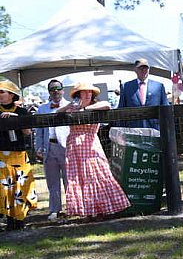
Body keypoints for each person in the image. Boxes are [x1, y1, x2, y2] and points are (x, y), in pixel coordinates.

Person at [58, 82, 130, 218]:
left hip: (91, 144)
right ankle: (86, 211)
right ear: (78, 95)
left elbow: (107, 105)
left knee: (98, 174)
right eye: (83, 92)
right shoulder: (72, 109)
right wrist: (69, 106)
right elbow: (57, 112)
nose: (87, 94)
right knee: (78, 177)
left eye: (89, 92)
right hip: (74, 145)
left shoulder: (97, 106)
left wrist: (85, 110)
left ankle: (102, 209)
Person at [0, 79, 37, 231]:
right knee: (3, 188)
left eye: (2, 92)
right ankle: (7, 219)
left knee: (20, 186)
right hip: (1, 155)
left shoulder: (21, 111)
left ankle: (20, 219)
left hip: (19, 155)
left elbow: (28, 132)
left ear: (11, 95)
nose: (0, 95)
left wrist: (16, 119)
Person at [35, 79, 70, 222]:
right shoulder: (42, 109)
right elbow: (38, 131)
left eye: (58, 88)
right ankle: (54, 210)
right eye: (52, 89)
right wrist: (38, 148)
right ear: (49, 92)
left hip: (67, 148)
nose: (55, 91)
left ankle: (72, 207)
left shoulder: (70, 106)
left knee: (69, 180)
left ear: (62, 90)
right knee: (52, 182)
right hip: (48, 147)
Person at [118, 59, 169, 130]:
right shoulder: (126, 87)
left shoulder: (159, 86)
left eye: (146, 68)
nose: (143, 70)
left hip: (155, 129)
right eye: (140, 68)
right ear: (135, 70)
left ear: (149, 69)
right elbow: (121, 110)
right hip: (133, 130)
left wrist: (166, 130)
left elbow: (166, 109)